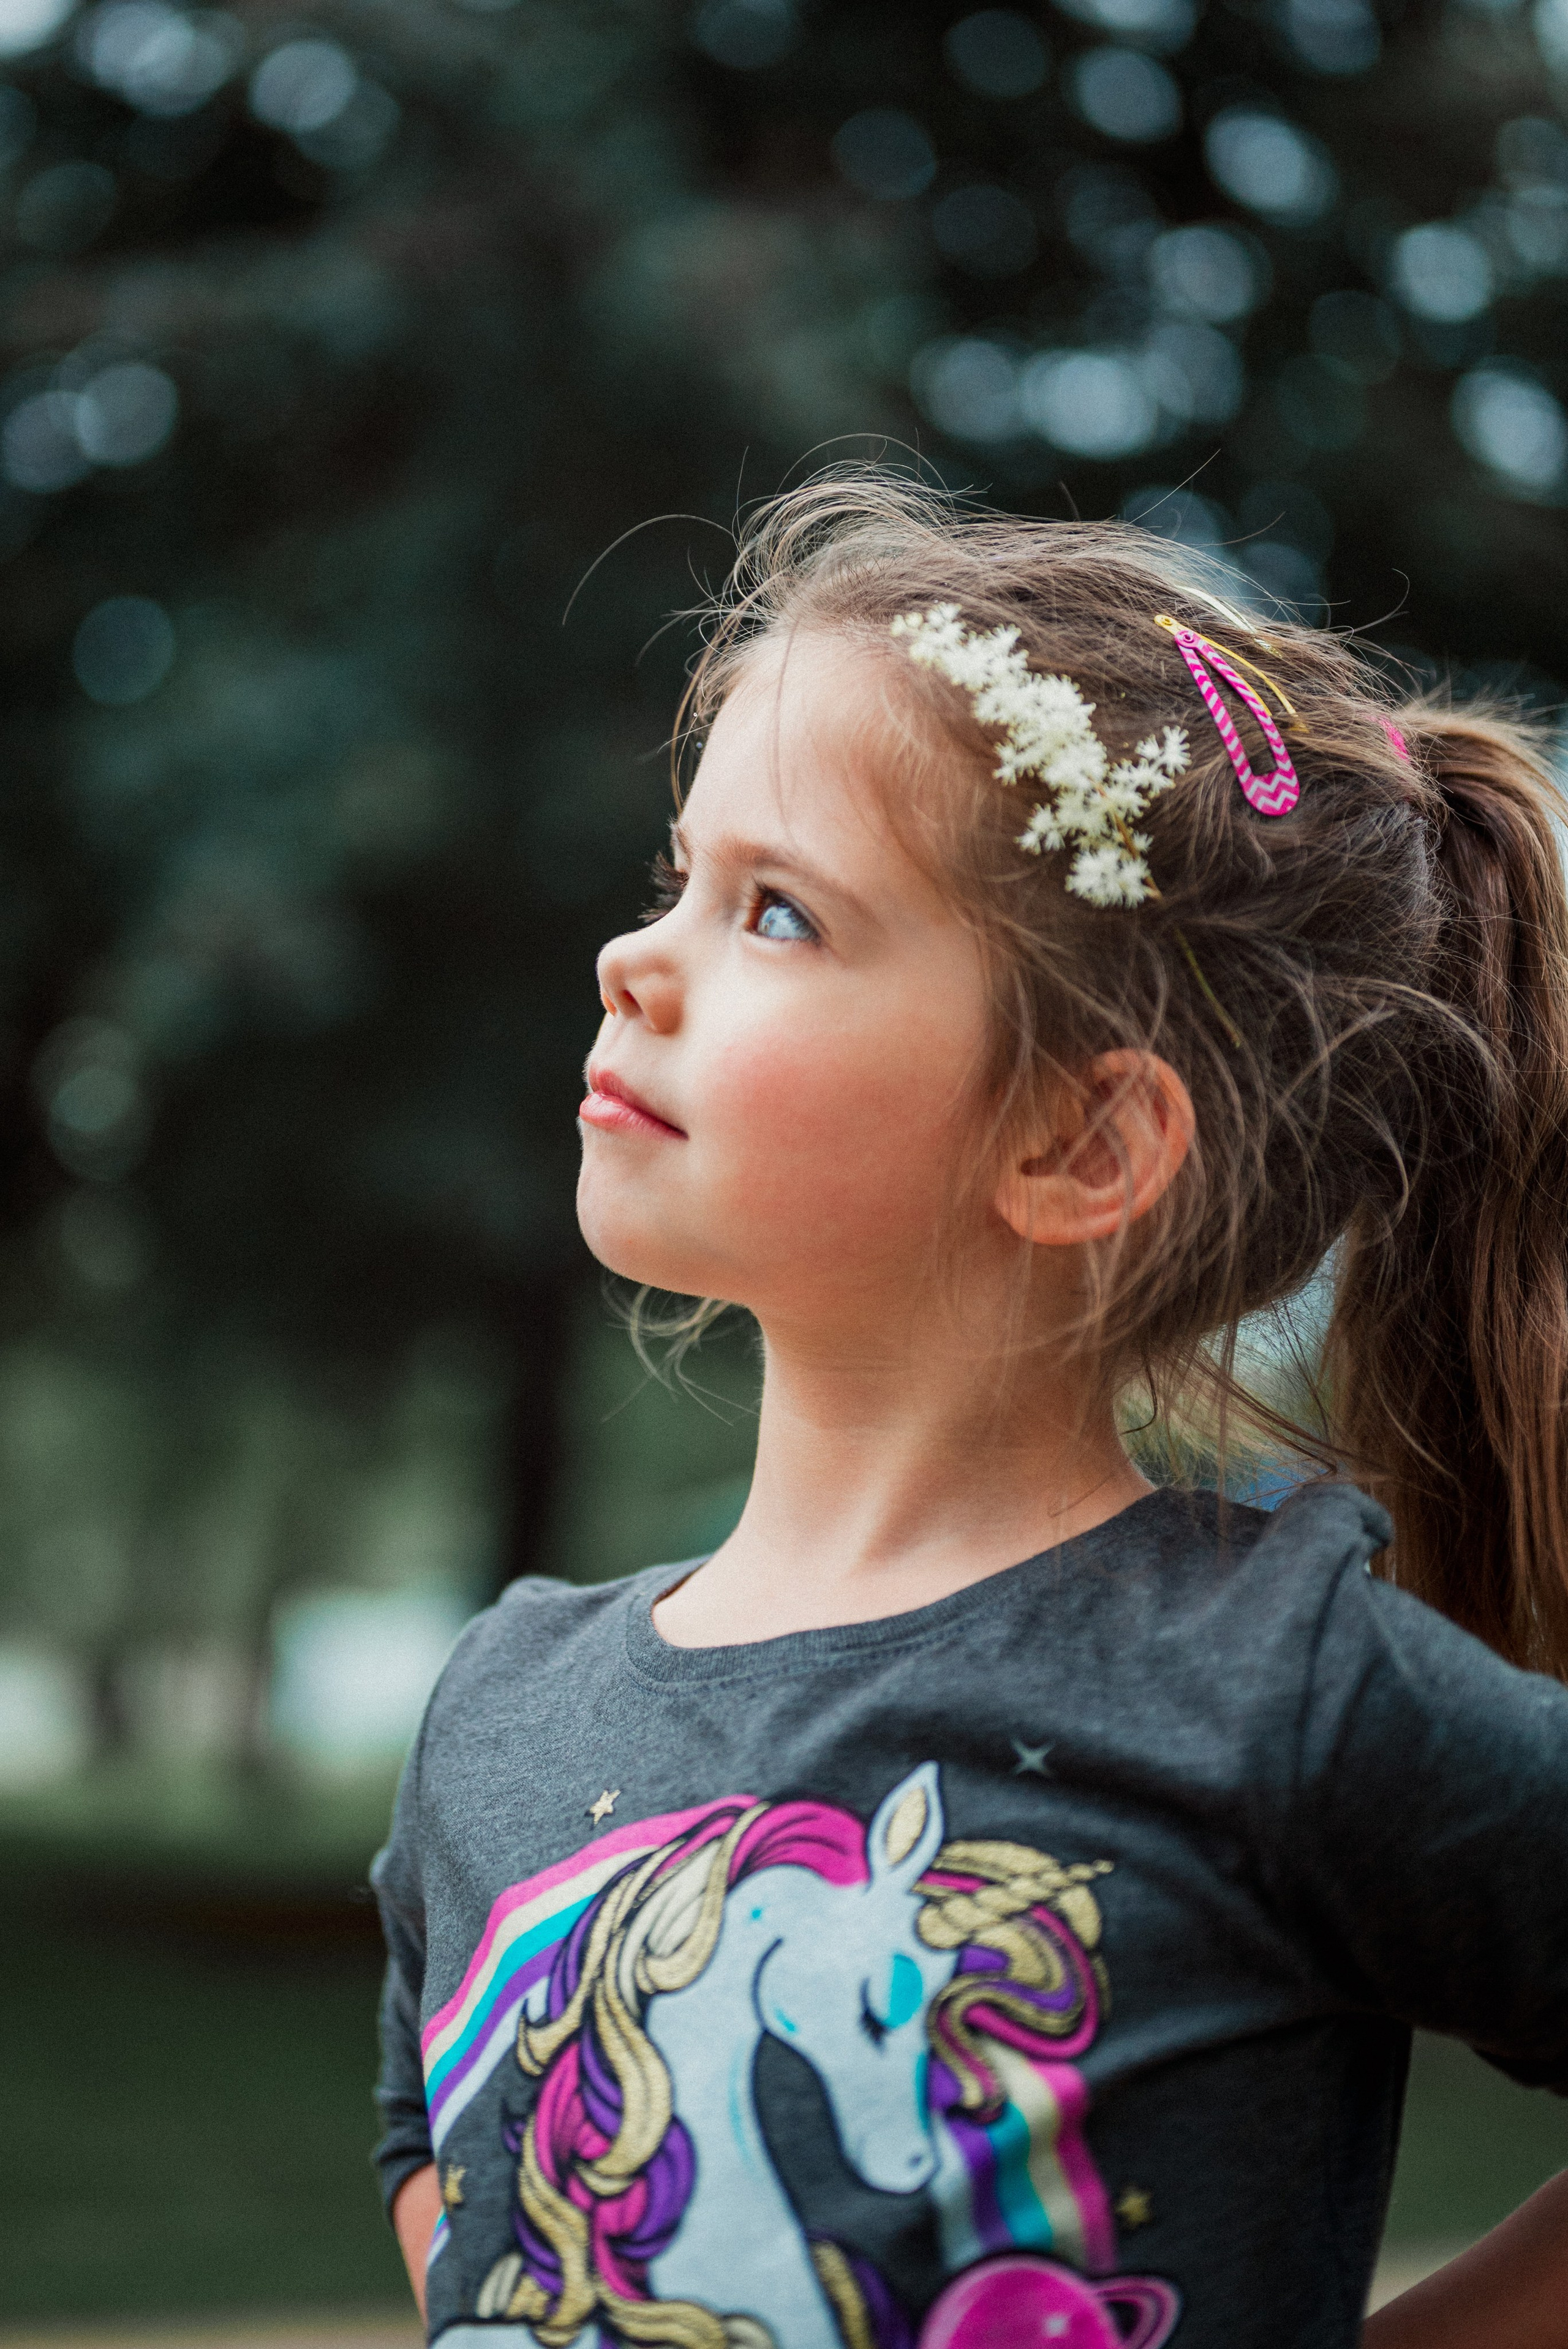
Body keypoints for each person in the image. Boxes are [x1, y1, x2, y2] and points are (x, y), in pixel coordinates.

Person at [372, 472, 1568, 2349]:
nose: (639, 957)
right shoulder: (494, 1719)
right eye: (673, 876)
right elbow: (456, 2200)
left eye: (776, 911)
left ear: (1077, 1137)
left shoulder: (1279, 1682)